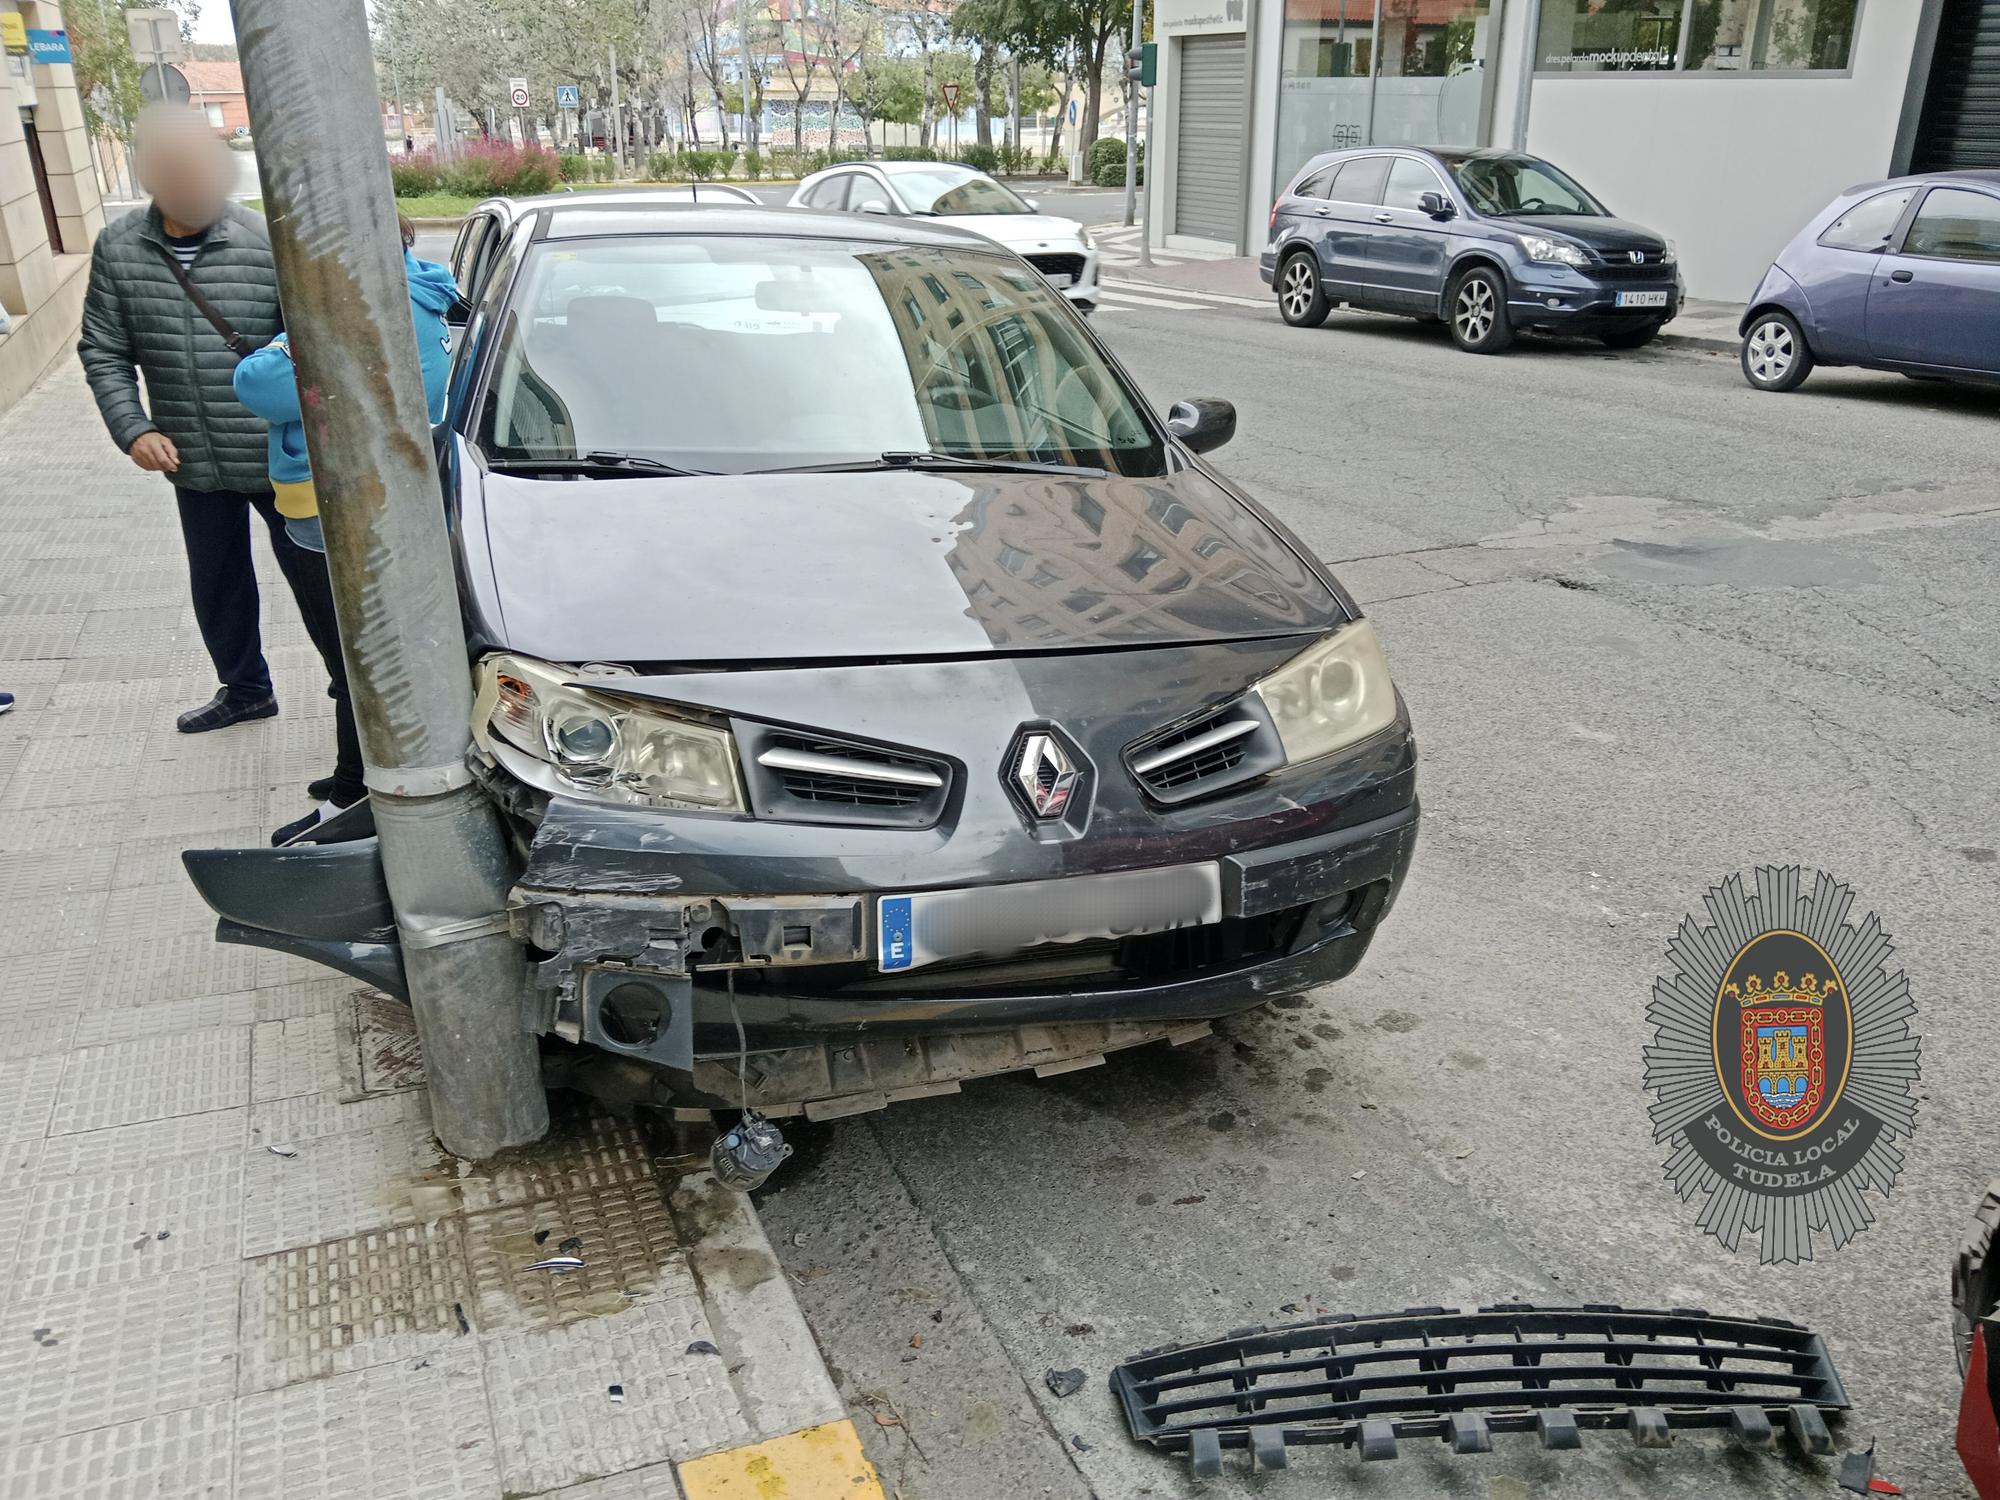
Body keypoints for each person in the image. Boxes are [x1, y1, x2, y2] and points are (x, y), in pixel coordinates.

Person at [77, 107, 346, 756]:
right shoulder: (119, 250)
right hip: (191, 459)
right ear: (148, 176)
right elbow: (103, 350)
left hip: (279, 460)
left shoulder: (263, 243)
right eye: (172, 170)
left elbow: (309, 348)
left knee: (318, 586)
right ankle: (245, 688)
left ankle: (352, 698)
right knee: (217, 580)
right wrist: (133, 428)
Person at [234, 213, 461, 844]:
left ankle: (350, 796)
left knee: (350, 656)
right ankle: (356, 772)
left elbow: (260, 385)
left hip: (333, 506)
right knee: (356, 649)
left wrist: (285, 343)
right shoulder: (416, 296)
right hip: (361, 497)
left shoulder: (354, 311)